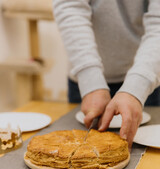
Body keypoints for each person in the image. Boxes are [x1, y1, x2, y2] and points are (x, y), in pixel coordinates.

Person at [53, 0, 160, 149]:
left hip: (145, 81)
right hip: (86, 84)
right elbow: (70, 7)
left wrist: (138, 86)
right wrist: (90, 80)